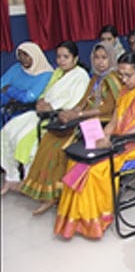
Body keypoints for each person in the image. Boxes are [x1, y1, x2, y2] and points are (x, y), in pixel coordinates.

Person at [54, 52, 135, 240]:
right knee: (79, 161)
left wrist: (113, 141)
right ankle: (76, 218)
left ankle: (94, 221)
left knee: (97, 169)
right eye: (121, 75)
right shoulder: (124, 90)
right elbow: (113, 122)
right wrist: (103, 136)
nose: (123, 79)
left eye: (128, 75)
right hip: (117, 141)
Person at [20, 43, 121, 215]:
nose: (100, 62)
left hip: (100, 122)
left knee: (61, 146)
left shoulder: (113, 79)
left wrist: (79, 114)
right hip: (84, 118)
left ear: (111, 58)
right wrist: (71, 112)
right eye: (97, 57)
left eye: (104, 58)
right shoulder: (96, 78)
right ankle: (48, 194)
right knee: (49, 138)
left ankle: (57, 195)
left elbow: (110, 109)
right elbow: (83, 100)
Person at [1, 41, 89, 197]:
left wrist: (51, 106)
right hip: (41, 111)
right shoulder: (58, 73)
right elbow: (45, 94)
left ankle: (30, 181)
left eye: (66, 57)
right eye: (59, 57)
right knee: (7, 131)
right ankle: (11, 176)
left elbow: (75, 101)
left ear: (75, 59)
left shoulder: (80, 75)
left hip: (56, 117)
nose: (61, 60)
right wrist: (42, 101)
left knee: (25, 140)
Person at [1, 42, 53, 109]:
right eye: (19, 55)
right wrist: (9, 99)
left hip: (29, 111)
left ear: (35, 55)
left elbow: (29, 98)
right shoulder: (17, 67)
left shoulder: (46, 74)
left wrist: (9, 89)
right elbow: (1, 84)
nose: (22, 58)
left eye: (26, 54)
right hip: (8, 106)